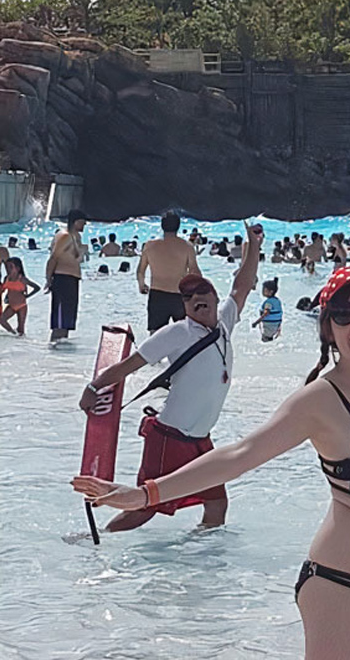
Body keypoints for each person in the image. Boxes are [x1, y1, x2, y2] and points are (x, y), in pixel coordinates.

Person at [73, 152, 350, 660]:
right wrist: (146, 494)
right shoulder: (322, 401)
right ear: (329, 330)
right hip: (342, 585)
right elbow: (241, 453)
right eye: (344, 313)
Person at [75, 222, 263, 531]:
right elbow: (129, 365)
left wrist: (253, 246)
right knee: (144, 508)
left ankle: (196, 555)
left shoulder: (225, 322)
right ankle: (95, 540)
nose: (196, 298)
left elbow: (242, 285)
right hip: (170, 437)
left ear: (215, 298)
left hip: (200, 439)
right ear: (184, 306)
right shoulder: (177, 332)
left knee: (216, 504)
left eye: (202, 292)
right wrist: (93, 387)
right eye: (188, 297)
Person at [137, 211, 202, 334]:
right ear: (178, 226)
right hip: (179, 296)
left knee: (155, 337)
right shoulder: (187, 246)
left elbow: (141, 270)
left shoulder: (150, 246)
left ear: (162, 226)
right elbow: (195, 273)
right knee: (185, 336)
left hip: (157, 295)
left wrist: (142, 284)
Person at [45, 209, 86, 343]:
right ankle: (54, 346)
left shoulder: (75, 237)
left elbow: (75, 258)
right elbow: (54, 257)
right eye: (82, 222)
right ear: (76, 222)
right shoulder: (65, 236)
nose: (84, 225)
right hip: (62, 279)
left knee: (67, 321)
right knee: (59, 322)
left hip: (71, 280)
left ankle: (62, 352)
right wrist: (49, 279)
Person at [0, 257, 40, 335]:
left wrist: (27, 296)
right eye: (7, 267)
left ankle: (20, 339)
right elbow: (5, 289)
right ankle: (13, 334)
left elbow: (37, 288)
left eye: (11, 267)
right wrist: (6, 297)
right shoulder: (7, 278)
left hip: (21, 306)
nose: (8, 269)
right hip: (11, 306)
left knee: (21, 329)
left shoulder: (22, 279)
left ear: (18, 268)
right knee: (1, 320)